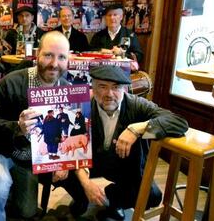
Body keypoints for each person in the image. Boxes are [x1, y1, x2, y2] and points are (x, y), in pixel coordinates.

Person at [0, 31, 88, 220]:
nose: (54, 63)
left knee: (26, 211)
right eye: (48, 55)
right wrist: (17, 127)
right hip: (1, 151)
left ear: (68, 59)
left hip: (30, 160)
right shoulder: (12, 81)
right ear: (37, 54)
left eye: (61, 57)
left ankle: (11, 193)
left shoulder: (69, 91)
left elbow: (68, 133)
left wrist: (62, 162)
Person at [69, 65, 188, 220]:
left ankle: (114, 199)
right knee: (59, 170)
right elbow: (69, 145)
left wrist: (137, 128)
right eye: (102, 86)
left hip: (124, 166)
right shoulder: (82, 106)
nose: (109, 94)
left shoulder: (137, 104)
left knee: (152, 196)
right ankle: (82, 197)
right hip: (92, 162)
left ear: (124, 89)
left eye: (116, 87)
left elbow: (179, 122)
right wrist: (86, 185)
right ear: (93, 87)